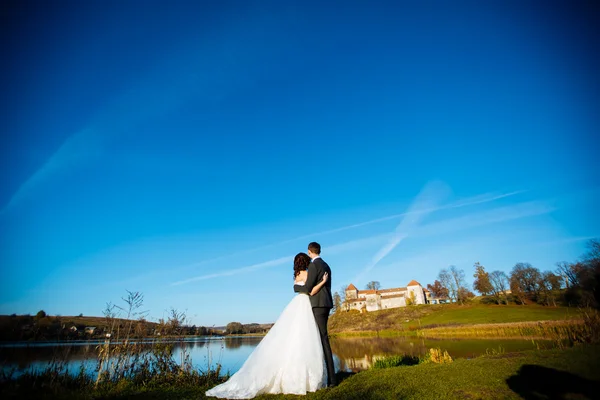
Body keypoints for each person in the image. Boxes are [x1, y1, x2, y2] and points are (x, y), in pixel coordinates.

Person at [205, 253, 328, 399]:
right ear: (306, 262)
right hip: (305, 305)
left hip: (297, 304)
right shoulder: (306, 273)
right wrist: (323, 282)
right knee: (304, 339)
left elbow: (297, 288)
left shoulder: (296, 275)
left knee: (293, 338)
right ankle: (303, 379)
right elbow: (310, 290)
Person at [293, 241, 337, 387]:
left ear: (309, 251)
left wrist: (297, 287)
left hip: (317, 304)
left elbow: (308, 288)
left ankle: (331, 380)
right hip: (326, 303)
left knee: (322, 340)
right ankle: (327, 376)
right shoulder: (327, 265)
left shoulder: (313, 265)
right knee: (322, 339)